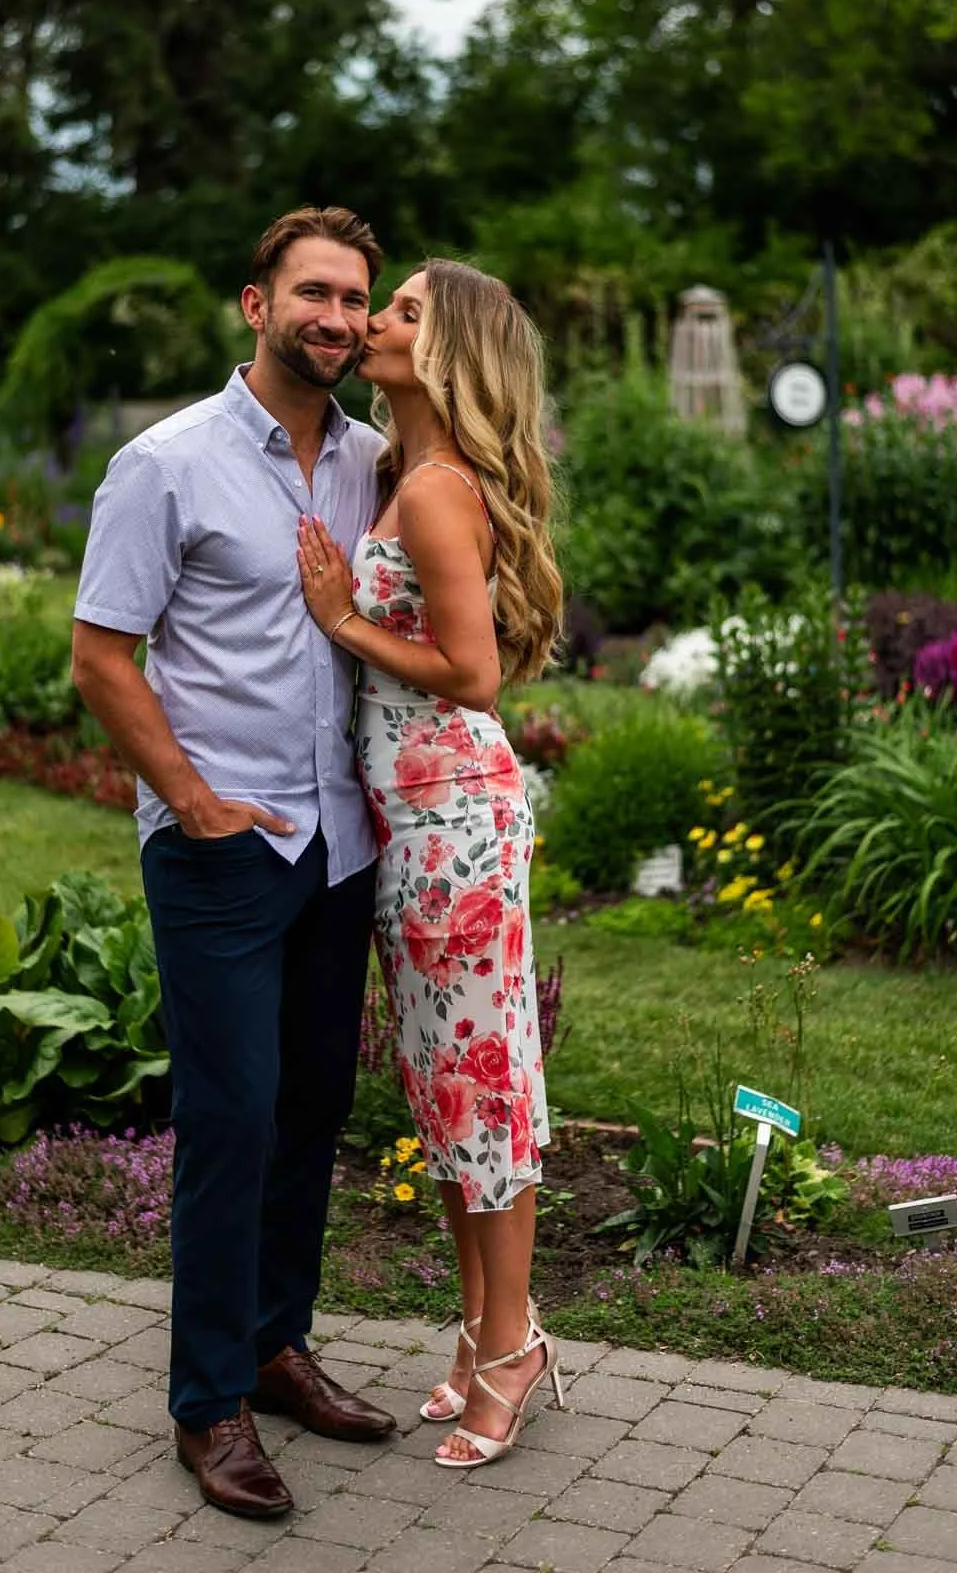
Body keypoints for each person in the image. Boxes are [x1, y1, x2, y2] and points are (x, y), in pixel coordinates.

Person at [71, 206, 397, 1524]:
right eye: (311, 294)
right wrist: (194, 801)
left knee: (314, 1104)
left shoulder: (374, 460)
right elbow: (101, 656)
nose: (335, 318)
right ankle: (205, 1402)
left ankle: (274, 1346)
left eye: (355, 301)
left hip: (341, 846)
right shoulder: (166, 464)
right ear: (253, 306)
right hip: (223, 852)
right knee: (231, 1117)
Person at [297, 258, 567, 1467]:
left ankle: (511, 1346)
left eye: (402, 310)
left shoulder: (440, 488)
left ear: (449, 347)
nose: (375, 324)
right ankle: (478, 1333)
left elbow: (474, 674)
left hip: (454, 816)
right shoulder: (397, 469)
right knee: (445, 1091)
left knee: (485, 1092)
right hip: (412, 820)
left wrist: (344, 621)